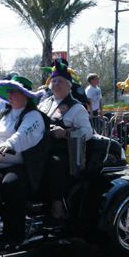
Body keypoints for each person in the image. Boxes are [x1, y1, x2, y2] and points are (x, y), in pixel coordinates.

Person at [0, 74, 48, 246]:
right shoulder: (3, 114)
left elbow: (23, 135)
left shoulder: (34, 116)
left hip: (21, 166)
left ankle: (15, 235)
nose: (10, 95)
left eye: (14, 91)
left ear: (26, 95)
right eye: (9, 92)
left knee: (11, 184)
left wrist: (8, 144)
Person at [37, 60, 93, 230]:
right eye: (53, 81)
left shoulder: (77, 108)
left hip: (66, 153)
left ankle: (57, 213)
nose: (56, 84)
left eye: (61, 81)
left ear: (69, 86)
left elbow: (88, 132)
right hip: (42, 148)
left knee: (54, 163)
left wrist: (66, 133)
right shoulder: (44, 104)